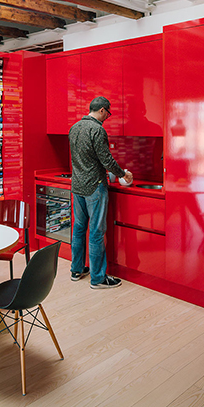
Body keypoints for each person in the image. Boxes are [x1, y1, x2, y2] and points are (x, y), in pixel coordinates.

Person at [68, 96, 132, 289]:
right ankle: (97, 278)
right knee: (96, 231)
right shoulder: (97, 130)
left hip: (77, 185)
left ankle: (76, 270)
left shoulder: (74, 128)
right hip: (94, 186)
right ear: (103, 110)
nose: (107, 117)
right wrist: (123, 174)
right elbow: (106, 160)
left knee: (79, 228)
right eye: (108, 113)